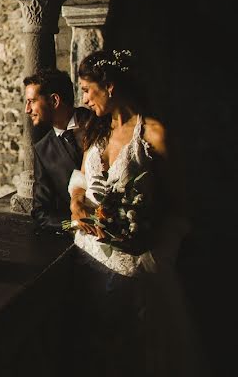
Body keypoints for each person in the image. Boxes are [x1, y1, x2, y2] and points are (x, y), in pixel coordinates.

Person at [68, 49, 206, 376]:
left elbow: (179, 204)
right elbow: (82, 179)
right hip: (87, 258)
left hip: (133, 268)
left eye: (88, 90)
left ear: (110, 87)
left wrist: (139, 231)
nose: (84, 99)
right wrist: (76, 203)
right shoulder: (95, 129)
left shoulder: (153, 134)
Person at [23, 68, 91, 234]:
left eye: (32, 101)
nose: (27, 109)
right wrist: (73, 225)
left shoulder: (97, 122)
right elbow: (41, 213)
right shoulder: (42, 150)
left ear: (54, 101)